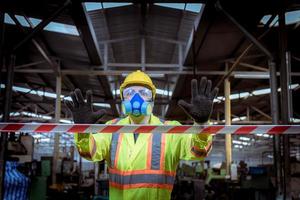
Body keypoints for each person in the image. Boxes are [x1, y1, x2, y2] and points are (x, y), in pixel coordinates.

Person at [66, 70, 218, 200]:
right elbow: (89, 151)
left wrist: (201, 125)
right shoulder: (111, 128)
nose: (136, 98)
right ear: (123, 98)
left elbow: (198, 151)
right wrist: (82, 130)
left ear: (152, 98)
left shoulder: (170, 130)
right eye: (129, 93)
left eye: (143, 93)